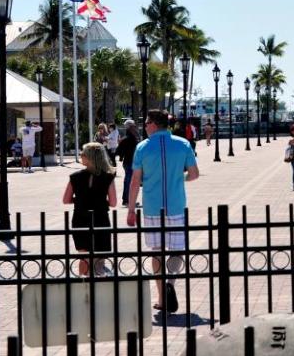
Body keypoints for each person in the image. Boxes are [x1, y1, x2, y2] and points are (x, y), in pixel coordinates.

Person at [126, 109, 200, 313]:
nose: (145, 126)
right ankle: (171, 282)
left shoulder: (142, 147)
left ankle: (161, 297)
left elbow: (134, 181)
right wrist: (178, 178)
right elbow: (194, 174)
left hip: (152, 208)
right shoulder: (183, 144)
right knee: (176, 250)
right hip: (176, 205)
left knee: (156, 252)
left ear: (153, 124)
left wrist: (131, 209)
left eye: (146, 123)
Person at [62, 142, 116, 276]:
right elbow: (114, 202)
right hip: (100, 217)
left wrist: (80, 200)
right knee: (99, 259)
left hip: (80, 218)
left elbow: (66, 199)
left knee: (84, 258)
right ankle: (98, 289)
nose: (81, 155)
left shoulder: (75, 177)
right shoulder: (108, 176)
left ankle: (83, 286)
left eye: (83, 154)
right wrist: (100, 201)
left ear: (90, 157)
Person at [116, 119, 140, 206]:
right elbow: (118, 151)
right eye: (133, 126)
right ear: (130, 127)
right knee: (129, 182)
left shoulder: (129, 138)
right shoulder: (128, 138)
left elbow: (119, 151)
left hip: (130, 162)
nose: (135, 128)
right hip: (130, 162)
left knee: (129, 181)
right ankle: (127, 200)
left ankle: (127, 200)